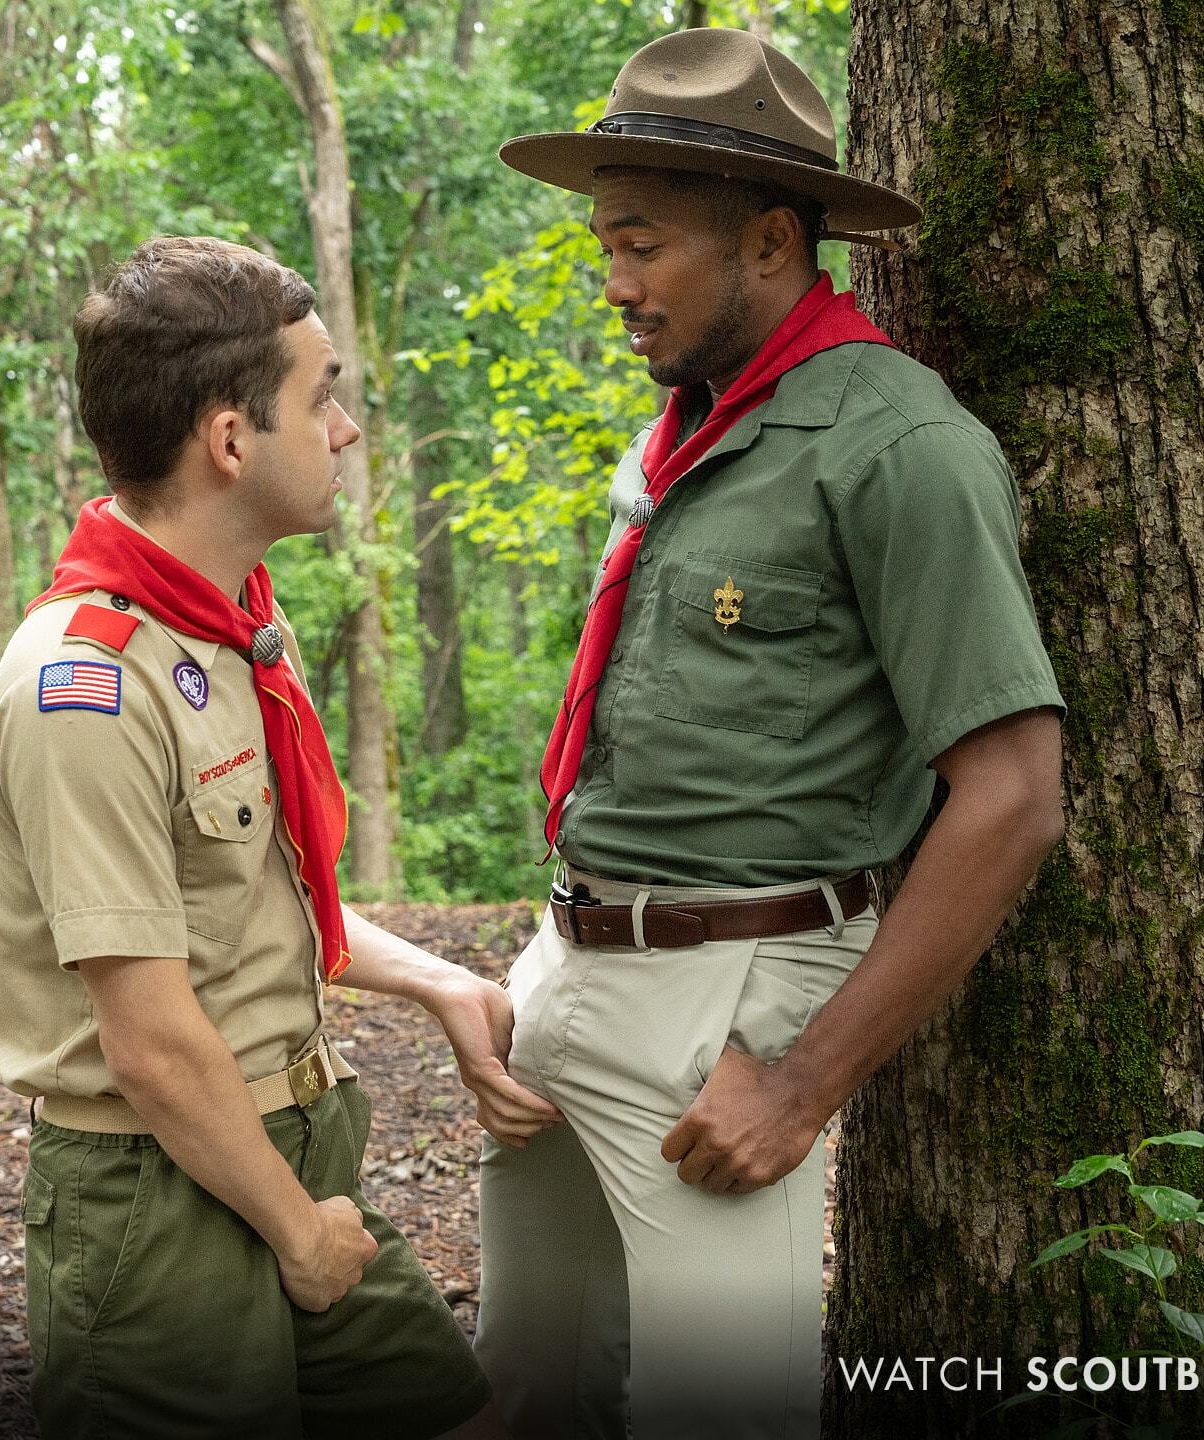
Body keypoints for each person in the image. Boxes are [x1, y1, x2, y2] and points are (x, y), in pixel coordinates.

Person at [469, 28, 1069, 1440]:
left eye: (642, 246)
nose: (614, 283)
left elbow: (1013, 795)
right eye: (605, 245)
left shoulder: (901, 447)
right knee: (525, 1396)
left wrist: (801, 1086)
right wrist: (540, 988)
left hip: (727, 1018)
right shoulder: (689, 425)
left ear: (773, 241)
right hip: (571, 968)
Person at [0, 235, 548, 1439]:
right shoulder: (86, 685)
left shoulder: (221, 625)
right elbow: (149, 1040)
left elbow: (251, 898)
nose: (346, 430)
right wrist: (300, 1234)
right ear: (231, 441)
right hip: (157, 1199)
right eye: (322, 397)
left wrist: (438, 980)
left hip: (286, 1147)